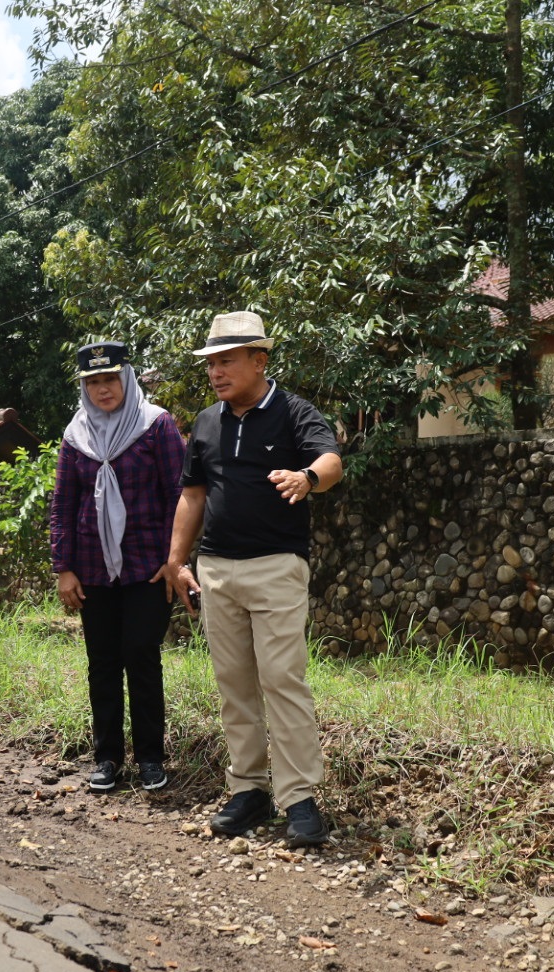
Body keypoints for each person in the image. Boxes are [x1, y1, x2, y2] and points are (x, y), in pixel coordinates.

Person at [157, 311, 343, 847]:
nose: (216, 371)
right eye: (211, 362)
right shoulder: (208, 422)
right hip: (216, 570)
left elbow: (331, 460)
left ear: (259, 360)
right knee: (234, 684)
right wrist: (176, 560)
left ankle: (300, 799)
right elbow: (192, 495)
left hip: (277, 567)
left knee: (282, 679)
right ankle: (249, 790)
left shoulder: (293, 412)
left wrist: (307, 478)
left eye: (227, 360)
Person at [50, 342, 184, 793]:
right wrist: (63, 568)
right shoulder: (76, 436)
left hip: (148, 567)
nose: (102, 389)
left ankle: (150, 758)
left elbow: (179, 496)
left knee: (141, 657)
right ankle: (107, 757)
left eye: (109, 379)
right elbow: (63, 506)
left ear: (126, 378)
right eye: (93, 382)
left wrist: (174, 560)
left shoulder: (156, 425)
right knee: (102, 663)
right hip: (92, 569)